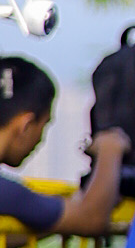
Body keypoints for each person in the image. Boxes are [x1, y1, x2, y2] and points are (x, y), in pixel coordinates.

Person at [0, 59, 127, 237]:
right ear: (26, 125)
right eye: (44, 125)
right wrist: (111, 147)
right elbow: (90, 219)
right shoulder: (7, 192)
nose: (40, 140)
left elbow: (10, 235)